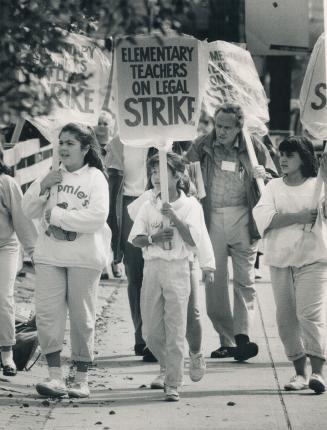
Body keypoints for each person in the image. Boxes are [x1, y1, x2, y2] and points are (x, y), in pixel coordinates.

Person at [22, 123, 111, 398]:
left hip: (84, 257)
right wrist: (42, 186)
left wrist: (59, 217)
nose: (63, 147)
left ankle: (81, 379)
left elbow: (97, 217)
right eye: (61, 142)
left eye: (71, 143)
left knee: (82, 317)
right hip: (49, 255)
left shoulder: (96, 178)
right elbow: (28, 209)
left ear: (86, 149)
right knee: (49, 315)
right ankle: (55, 377)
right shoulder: (52, 175)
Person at [186, 102, 278, 361]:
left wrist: (264, 174)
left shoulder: (254, 146)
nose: (222, 131)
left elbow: (273, 181)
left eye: (228, 127)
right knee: (214, 280)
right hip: (211, 217)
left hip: (243, 217)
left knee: (245, 280)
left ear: (240, 127)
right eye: (219, 125)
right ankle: (226, 339)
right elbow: (182, 171)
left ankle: (242, 337)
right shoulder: (203, 144)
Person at [129, 152, 213, 402]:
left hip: (178, 267)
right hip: (152, 267)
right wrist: (154, 238)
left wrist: (175, 217)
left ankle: (173, 381)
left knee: (176, 327)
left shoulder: (191, 206)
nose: (156, 177)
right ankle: (170, 366)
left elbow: (194, 240)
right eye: (153, 172)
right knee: (151, 333)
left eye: (162, 172)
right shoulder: (147, 205)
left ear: (178, 176)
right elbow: (135, 239)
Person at [253, 136, 327, 394]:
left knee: (309, 315)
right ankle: (299, 373)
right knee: (286, 319)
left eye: (289, 155)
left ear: (304, 158)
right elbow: (263, 217)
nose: (283, 159)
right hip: (281, 261)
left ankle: (318, 372)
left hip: (314, 259)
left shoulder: (318, 185)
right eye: (281, 154)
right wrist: (297, 217)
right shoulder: (273, 187)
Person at [0, 143, 37, 377]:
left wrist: (36, 253)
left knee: (3, 297)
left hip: (5, 247)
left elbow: (23, 221)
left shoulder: (6, 183)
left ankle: (7, 353)